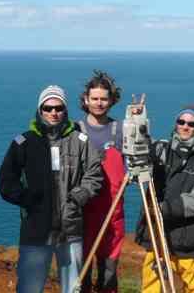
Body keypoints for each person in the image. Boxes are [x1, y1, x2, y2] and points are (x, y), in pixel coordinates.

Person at [0, 85, 103, 293]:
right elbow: (6, 181)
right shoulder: (24, 142)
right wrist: (28, 200)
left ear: (65, 110)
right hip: (35, 231)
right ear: (40, 110)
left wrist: (79, 197)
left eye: (58, 107)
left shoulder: (80, 141)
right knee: (30, 287)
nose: (53, 113)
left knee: (73, 288)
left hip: (71, 229)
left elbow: (94, 174)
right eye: (47, 108)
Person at [135, 104, 194, 293]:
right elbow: (140, 148)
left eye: (191, 124)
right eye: (181, 122)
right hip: (157, 238)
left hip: (189, 242)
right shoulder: (162, 149)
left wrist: (163, 209)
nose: (185, 127)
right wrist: (137, 122)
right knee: (151, 289)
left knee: (191, 289)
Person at [76, 71, 125, 293]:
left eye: (104, 98)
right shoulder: (75, 131)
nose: (99, 103)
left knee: (109, 272)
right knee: (81, 271)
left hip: (113, 212)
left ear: (111, 100)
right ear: (86, 99)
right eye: (94, 98)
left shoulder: (121, 130)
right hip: (82, 212)